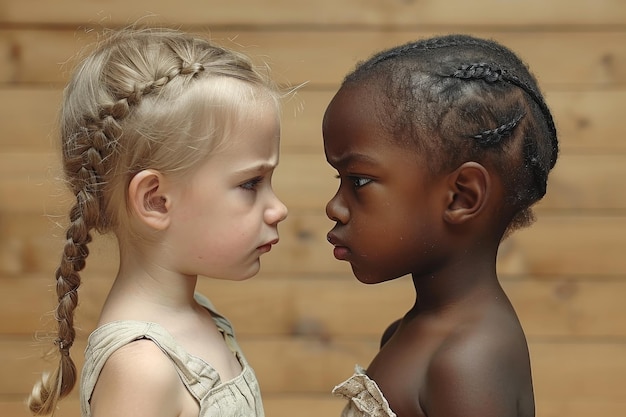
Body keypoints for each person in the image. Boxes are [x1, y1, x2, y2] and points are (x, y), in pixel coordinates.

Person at [27, 27, 288, 417]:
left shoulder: (201, 317)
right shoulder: (141, 369)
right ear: (156, 200)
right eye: (251, 184)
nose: (278, 209)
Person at [323, 34, 558, 417]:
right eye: (339, 180)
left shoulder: (466, 362)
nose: (335, 208)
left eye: (358, 181)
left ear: (461, 196)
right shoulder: (413, 333)